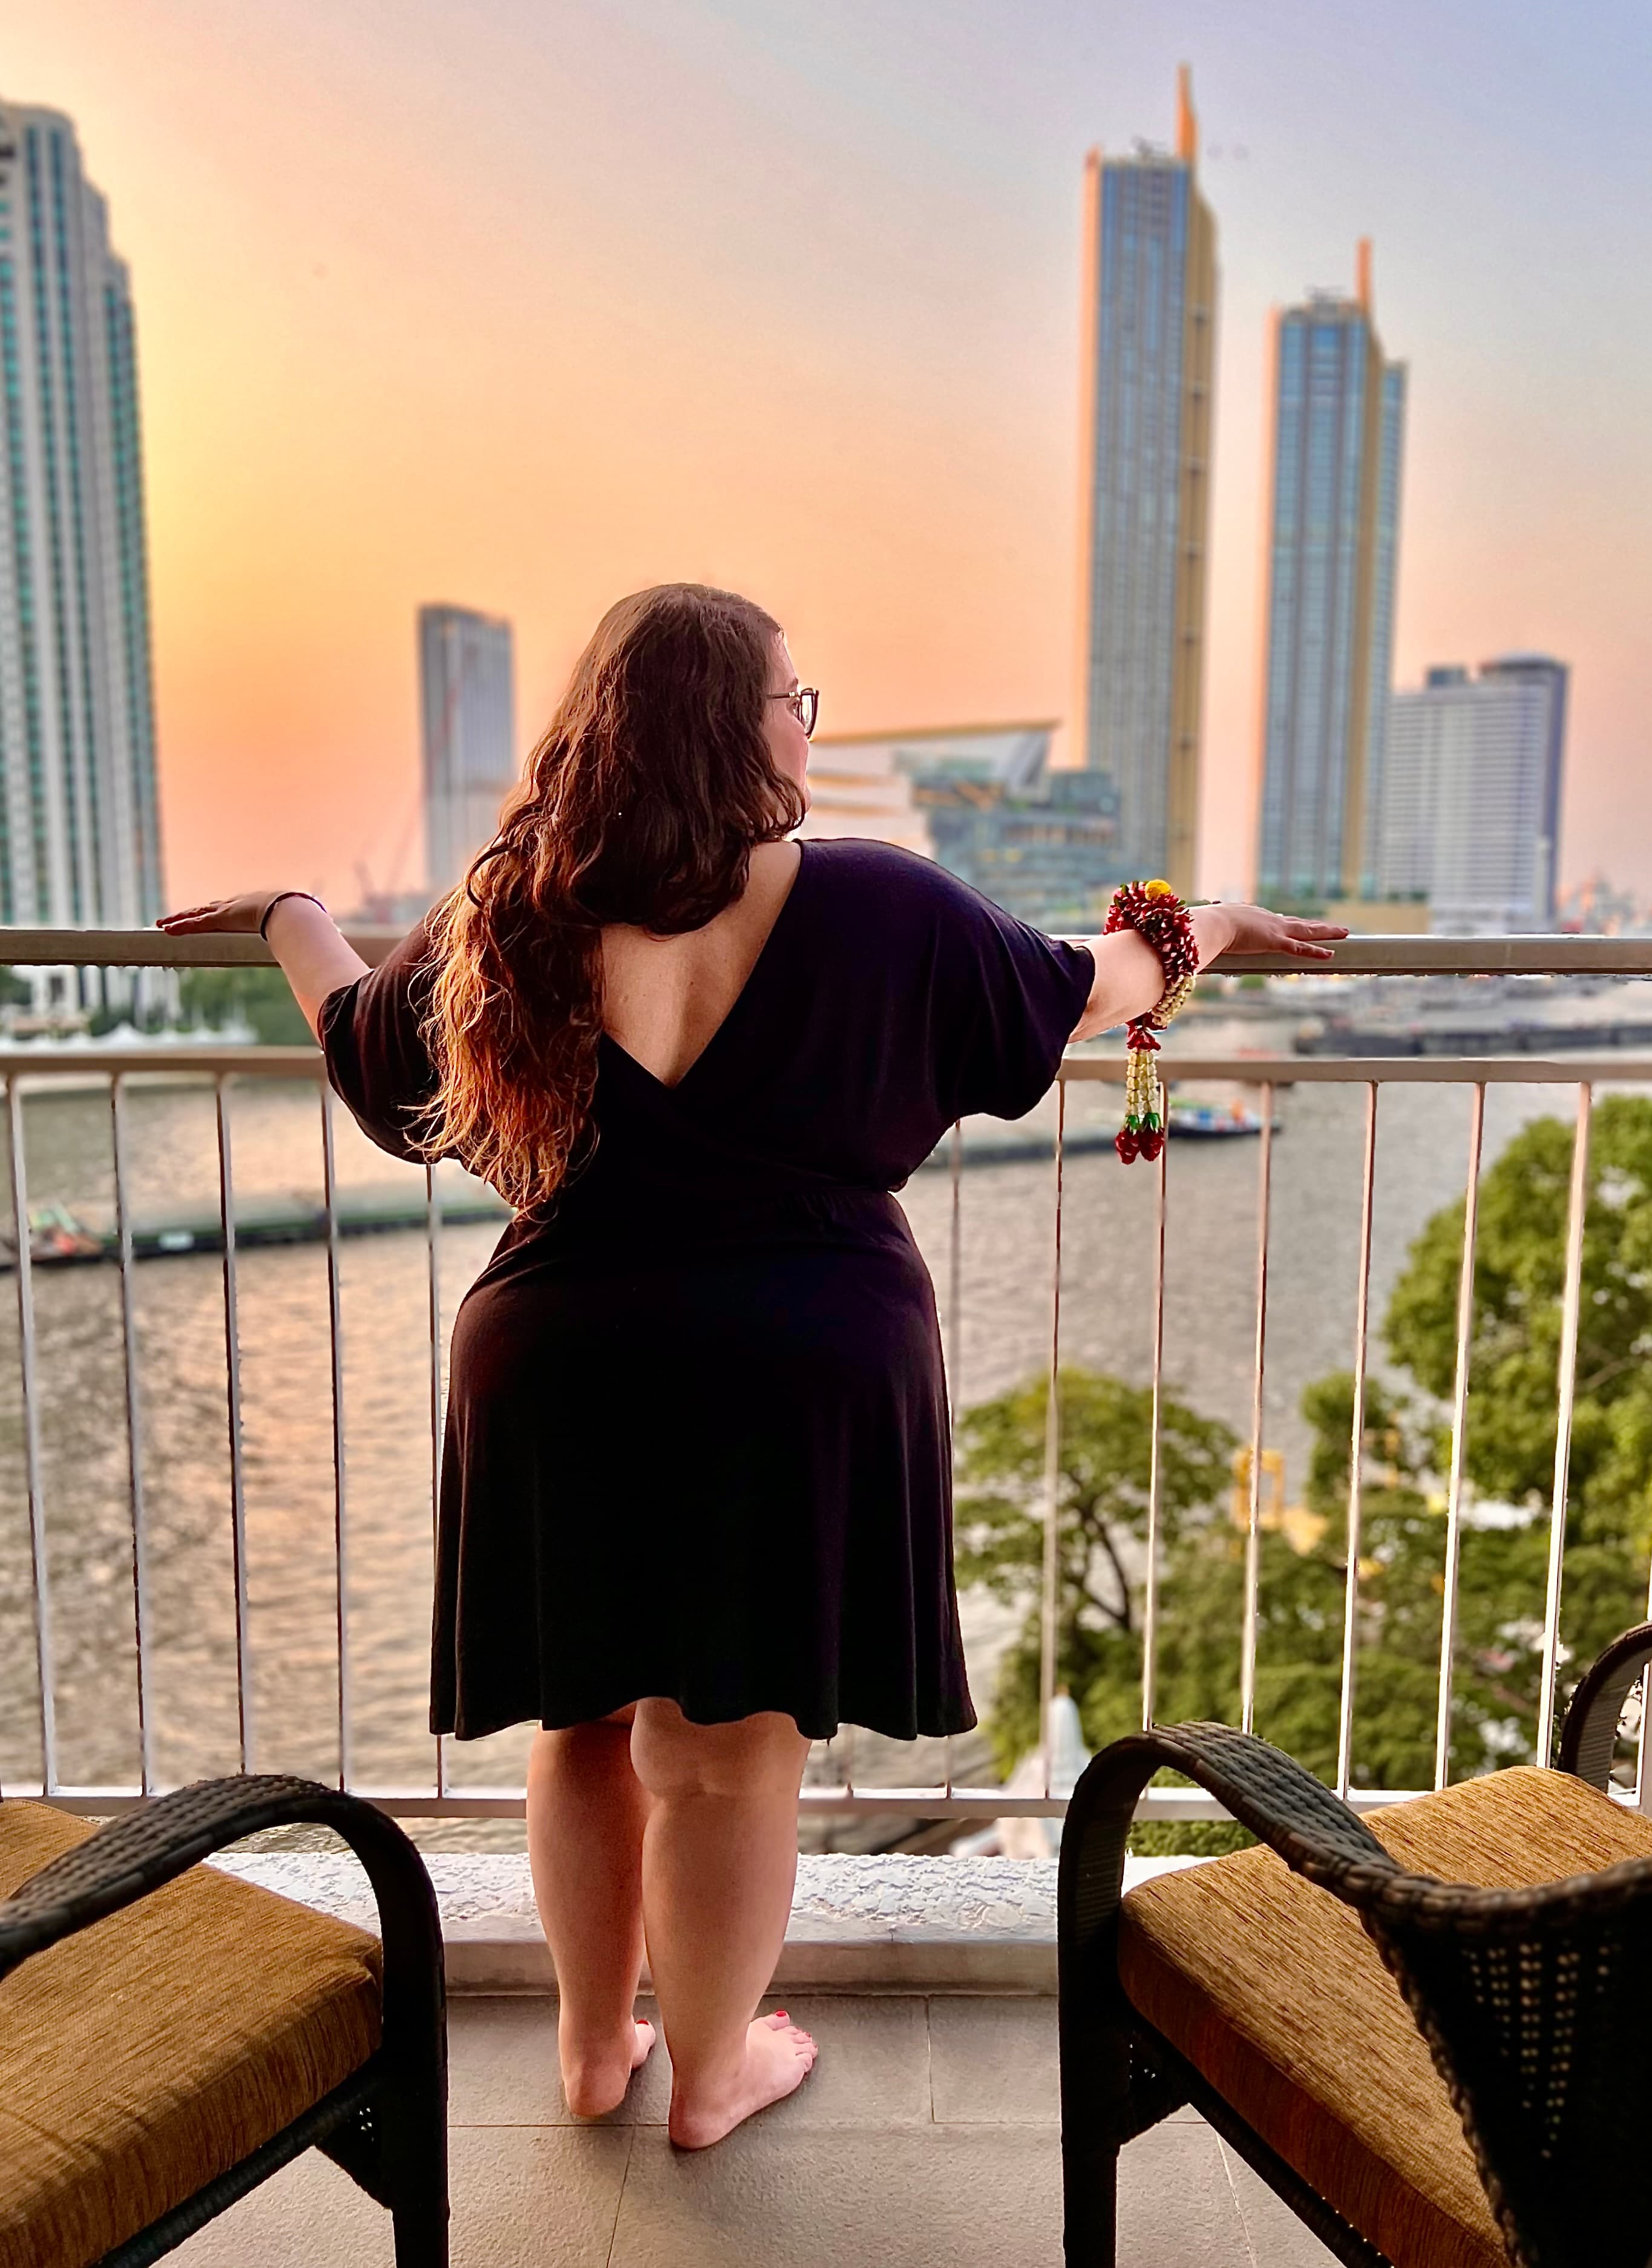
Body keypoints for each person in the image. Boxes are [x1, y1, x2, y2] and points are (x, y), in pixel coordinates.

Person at [159, 583, 1343, 2148]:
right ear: (738, 724)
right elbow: (1095, 988)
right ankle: (711, 2075)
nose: (808, 721)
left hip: (557, 1354)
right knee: (725, 1758)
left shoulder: (513, 911)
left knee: (582, 1723)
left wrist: (292, 911)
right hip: (794, 1367)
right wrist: (1215, 923)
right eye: (797, 697)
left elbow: (369, 1046)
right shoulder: (881, 906)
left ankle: (597, 2048)